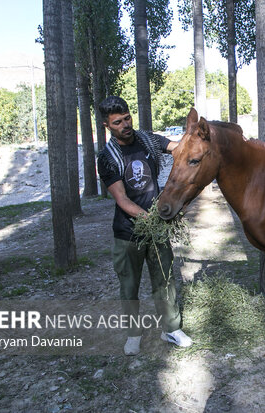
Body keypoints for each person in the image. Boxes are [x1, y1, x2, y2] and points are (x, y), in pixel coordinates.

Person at [96, 96, 192, 355]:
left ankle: (171, 329)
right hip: (128, 233)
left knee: (165, 280)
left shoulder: (147, 139)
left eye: (127, 118)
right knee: (129, 286)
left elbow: (178, 147)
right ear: (107, 125)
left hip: (157, 228)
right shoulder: (107, 158)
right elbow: (122, 200)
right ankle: (133, 334)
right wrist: (152, 219)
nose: (126, 124)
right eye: (118, 122)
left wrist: (196, 135)